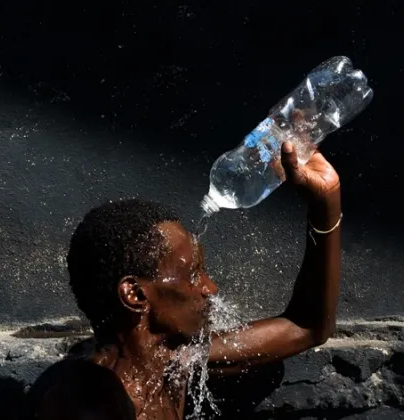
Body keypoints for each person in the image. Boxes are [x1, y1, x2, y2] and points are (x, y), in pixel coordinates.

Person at [28, 141, 342, 419]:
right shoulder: (90, 404)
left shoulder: (174, 361)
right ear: (135, 295)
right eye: (193, 275)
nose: (210, 288)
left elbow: (307, 326)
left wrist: (326, 202)